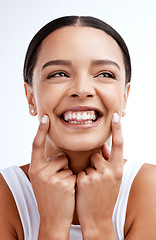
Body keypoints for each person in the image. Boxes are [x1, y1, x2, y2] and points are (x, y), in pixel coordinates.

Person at [0, 15, 156, 240]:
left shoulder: (149, 189)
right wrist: (52, 227)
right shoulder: (6, 195)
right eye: (59, 74)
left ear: (124, 96)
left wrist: (98, 225)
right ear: (30, 97)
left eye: (105, 74)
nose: (82, 89)